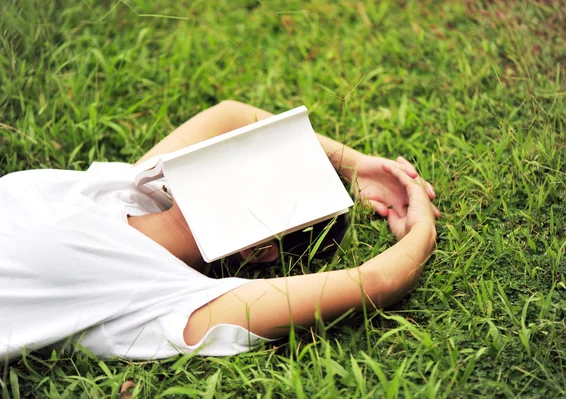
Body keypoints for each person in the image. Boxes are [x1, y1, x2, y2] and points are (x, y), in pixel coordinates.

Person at [0, 100, 439, 361]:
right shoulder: (128, 189)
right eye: (254, 152)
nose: (240, 155)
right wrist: (355, 164)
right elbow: (231, 116)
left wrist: (421, 229)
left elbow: (373, 283)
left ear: (261, 250)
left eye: (268, 174)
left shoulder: (168, 297)